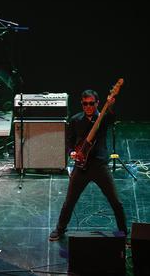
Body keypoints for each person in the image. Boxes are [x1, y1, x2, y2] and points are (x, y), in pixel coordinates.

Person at [49, 89, 127, 241]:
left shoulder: (103, 119)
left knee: (116, 202)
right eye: (85, 104)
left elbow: (112, 116)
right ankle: (60, 229)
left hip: (99, 166)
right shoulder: (76, 120)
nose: (88, 106)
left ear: (97, 103)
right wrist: (71, 152)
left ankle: (124, 233)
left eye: (91, 103)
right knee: (69, 202)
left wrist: (110, 105)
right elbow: (69, 142)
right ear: (82, 104)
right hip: (81, 167)